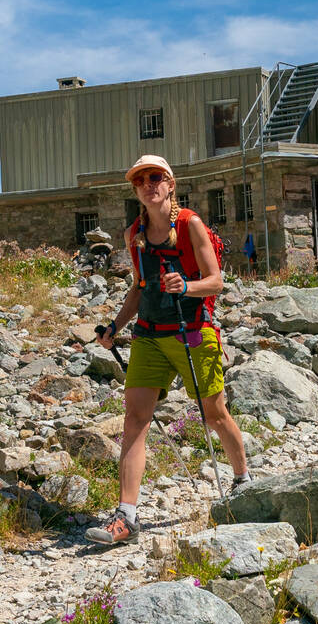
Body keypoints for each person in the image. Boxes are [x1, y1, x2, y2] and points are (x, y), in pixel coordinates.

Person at [87, 154, 252, 545]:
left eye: (155, 177)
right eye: (141, 180)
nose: (149, 184)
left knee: (213, 413)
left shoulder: (190, 224)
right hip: (149, 334)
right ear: (136, 190)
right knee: (135, 417)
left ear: (170, 183)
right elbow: (139, 289)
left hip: (192, 330)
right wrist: (115, 326)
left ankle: (243, 480)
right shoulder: (135, 235)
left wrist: (187, 287)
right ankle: (126, 516)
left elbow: (215, 282)